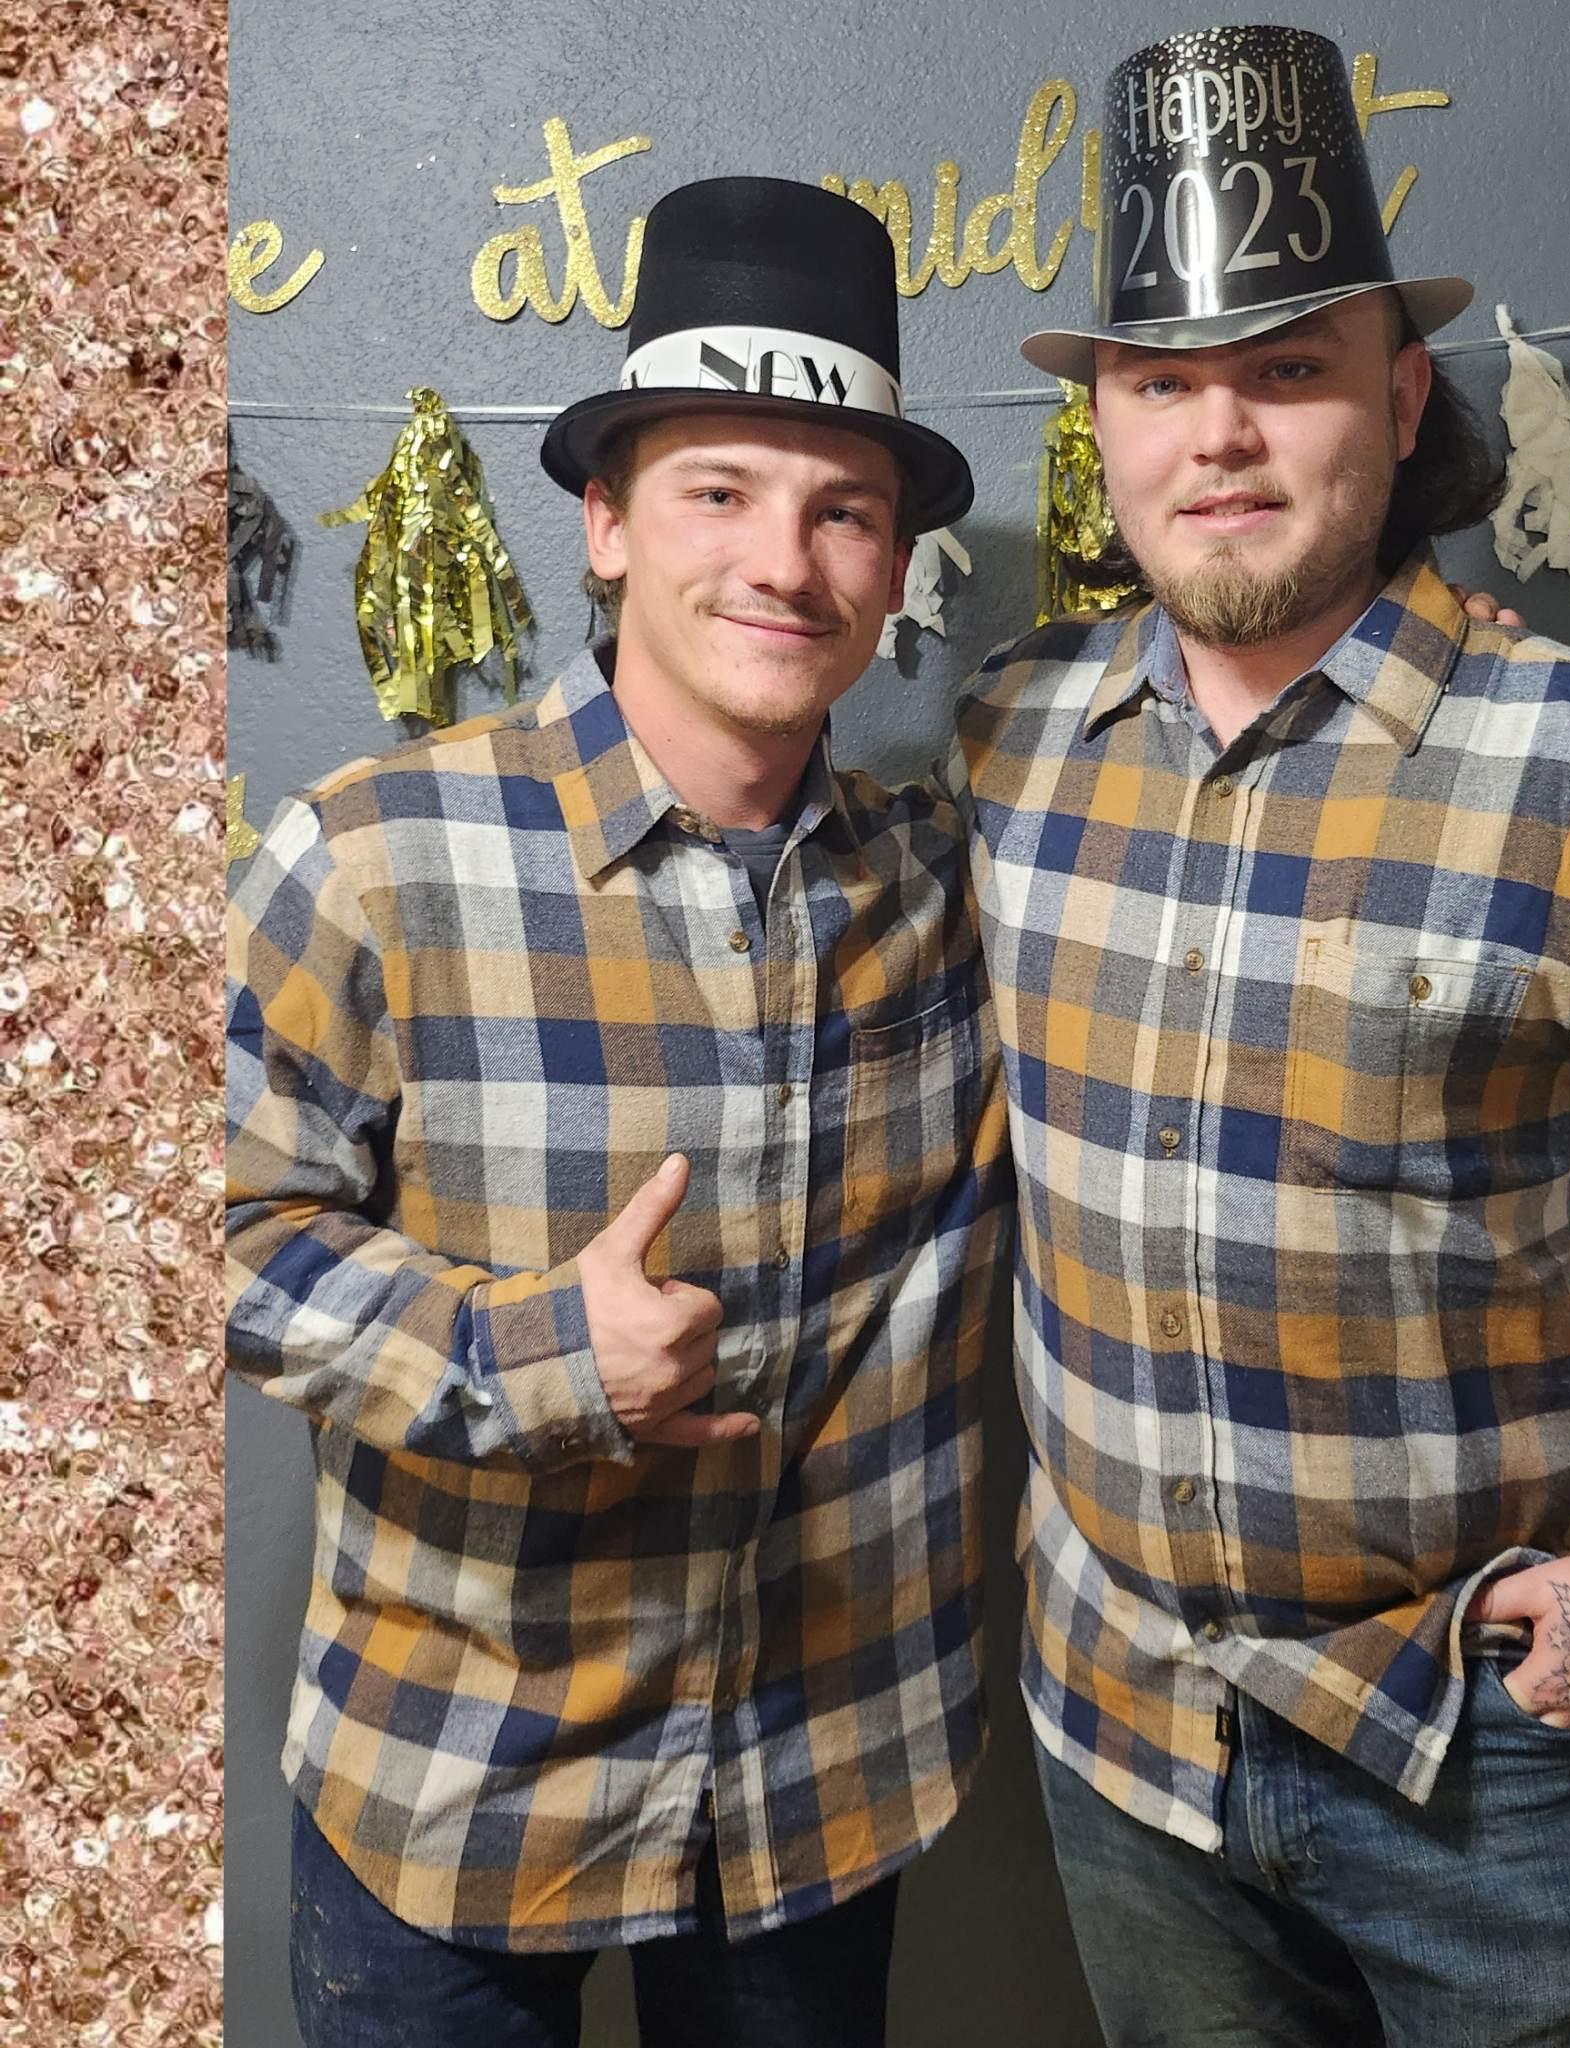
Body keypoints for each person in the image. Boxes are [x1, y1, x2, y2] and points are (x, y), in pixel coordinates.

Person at [951, 26, 1570, 2048]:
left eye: (1287, 371)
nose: (1219, 438)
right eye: (1161, 384)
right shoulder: (1010, 735)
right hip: (1123, 1735)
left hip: (1492, 1765)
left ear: (1401, 395)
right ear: (1104, 424)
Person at [225, 176, 1011, 2048]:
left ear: (895, 562)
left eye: (844, 510)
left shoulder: (955, 876)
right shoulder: (370, 856)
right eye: (717, 492)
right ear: (604, 523)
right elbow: (216, 1237)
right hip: (459, 1790)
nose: (784, 561)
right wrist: (529, 1356)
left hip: (825, 1775)